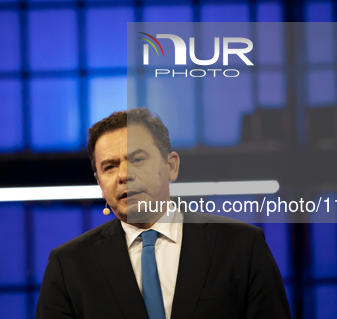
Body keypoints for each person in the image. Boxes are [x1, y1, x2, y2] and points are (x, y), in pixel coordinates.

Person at [36, 108, 291, 319]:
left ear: (171, 166)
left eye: (137, 159)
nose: (124, 175)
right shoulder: (69, 265)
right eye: (110, 167)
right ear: (100, 183)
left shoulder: (241, 246)